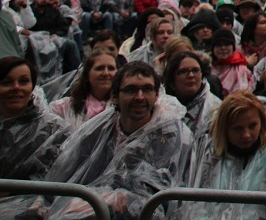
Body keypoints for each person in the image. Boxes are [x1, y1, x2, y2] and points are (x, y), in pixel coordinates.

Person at [46, 61, 194, 220]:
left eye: (147, 89)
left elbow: (166, 200)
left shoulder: (173, 136)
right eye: (131, 90)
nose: (140, 97)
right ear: (115, 96)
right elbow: (65, 176)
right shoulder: (97, 131)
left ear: (157, 94)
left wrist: (116, 200)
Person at [177, 91, 266, 220]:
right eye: (237, 129)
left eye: (252, 126)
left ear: (262, 122)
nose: (246, 135)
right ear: (224, 128)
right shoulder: (207, 151)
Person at [0, 56, 68, 220]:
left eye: (23, 81)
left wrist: (10, 191)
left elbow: (58, 176)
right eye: (7, 82)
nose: (16, 88)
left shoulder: (54, 130)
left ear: (32, 87)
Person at [50, 49, 117, 129]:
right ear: (87, 74)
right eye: (99, 68)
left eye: (111, 68)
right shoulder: (61, 108)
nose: (106, 73)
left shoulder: (123, 108)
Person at [164, 50, 221, 137]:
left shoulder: (215, 108)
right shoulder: (161, 107)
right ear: (172, 78)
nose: (191, 75)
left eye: (195, 70)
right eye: (183, 71)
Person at [211, 27, 255, 96]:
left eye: (227, 44)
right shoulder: (206, 67)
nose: (223, 48)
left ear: (233, 47)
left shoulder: (241, 68)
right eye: (218, 45)